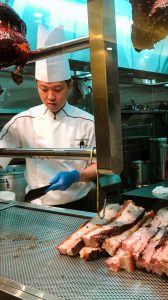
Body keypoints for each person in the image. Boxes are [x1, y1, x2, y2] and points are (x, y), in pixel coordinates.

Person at [0, 25, 97, 210]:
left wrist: (77, 176)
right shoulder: (21, 122)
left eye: (58, 89)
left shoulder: (88, 122)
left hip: (81, 205)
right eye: (44, 89)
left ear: (69, 86)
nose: (50, 96)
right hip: (39, 207)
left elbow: (101, 165)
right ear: (37, 84)